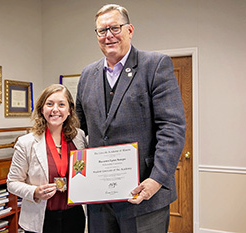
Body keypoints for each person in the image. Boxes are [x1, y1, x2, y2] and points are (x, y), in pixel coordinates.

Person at [76, 4, 186, 233]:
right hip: (99, 201)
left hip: (144, 196)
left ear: (130, 30)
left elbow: (172, 128)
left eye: (115, 28)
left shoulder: (155, 66)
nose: (109, 36)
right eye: (102, 31)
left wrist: (156, 180)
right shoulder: (87, 75)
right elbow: (80, 127)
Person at [7, 84, 87, 233]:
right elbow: (12, 182)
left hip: (74, 216)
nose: (55, 109)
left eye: (61, 104)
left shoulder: (79, 137)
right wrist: (35, 191)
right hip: (41, 217)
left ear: (69, 110)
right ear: (41, 109)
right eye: (49, 104)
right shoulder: (26, 143)